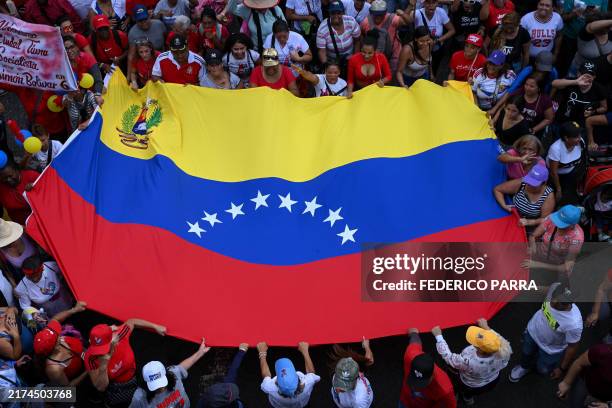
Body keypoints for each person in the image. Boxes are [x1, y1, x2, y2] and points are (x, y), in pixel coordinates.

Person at [85, 318, 167, 407]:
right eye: (97, 349)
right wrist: (103, 366)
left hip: (135, 377)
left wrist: (155, 326)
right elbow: (100, 387)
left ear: (113, 339)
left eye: (103, 348)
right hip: (116, 389)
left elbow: (132, 322)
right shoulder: (90, 358)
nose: (100, 353)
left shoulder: (120, 335)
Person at [509, 282, 583, 381]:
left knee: (542, 369)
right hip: (532, 332)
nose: (553, 303)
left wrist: (561, 368)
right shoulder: (555, 287)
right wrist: (529, 287)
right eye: (553, 297)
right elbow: (547, 289)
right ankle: (524, 367)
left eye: (561, 302)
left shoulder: (574, 324)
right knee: (526, 353)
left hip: (550, 350)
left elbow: (572, 347)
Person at [432, 319, 511, 405]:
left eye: (475, 342)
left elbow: (449, 357)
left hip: (469, 384)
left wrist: (438, 336)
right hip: (491, 381)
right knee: (472, 393)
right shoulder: (505, 350)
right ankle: (468, 399)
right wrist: (486, 327)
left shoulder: (468, 362)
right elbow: (497, 339)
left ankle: (456, 396)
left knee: (458, 386)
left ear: (479, 349)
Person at [129, 338, 210, 407]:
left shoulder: (173, 373)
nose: (160, 388)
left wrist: (200, 352)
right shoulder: (139, 397)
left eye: (160, 382)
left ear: (166, 374)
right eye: (155, 385)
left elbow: (182, 366)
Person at [32, 301, 88, 386]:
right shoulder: (54, 369)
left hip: (86, 355)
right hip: (83, 374)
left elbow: (55, 319)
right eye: (56, 336)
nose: (58, 332)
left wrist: (74, 310)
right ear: (56, 347)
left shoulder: (50, 336)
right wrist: (88, 371)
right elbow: (68, 388)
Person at [400, 328, 455, 407]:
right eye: (413, 380)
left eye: (421, 384)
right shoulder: (410, 355)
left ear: (432, 376)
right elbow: (415, 342)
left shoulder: (445, 389)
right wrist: (414, 333)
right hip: (404, 401)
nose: (414, 388)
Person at [257, 341, 320, 408]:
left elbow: (266, 376)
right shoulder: (307, 383)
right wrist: (305, 351)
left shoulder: (270, 387)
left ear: (277, 383)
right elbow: (312, 373)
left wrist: (262, 353)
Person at [493, 163, 554, 232]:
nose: (530, 185)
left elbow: (546, 219)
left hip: (529, 226)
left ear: (544, 183)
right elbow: (497, 190)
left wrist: (529, 222)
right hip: (512, 218)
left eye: (534, 184)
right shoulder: (522, 183)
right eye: (529, 181)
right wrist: (504, 206)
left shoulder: (548, 196)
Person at [526, 205, 585, 276]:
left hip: (557, 267)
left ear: (572, 225)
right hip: (541, 256)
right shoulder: (552, 218)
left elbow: (566, 267)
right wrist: (532, 246)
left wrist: (538, 265)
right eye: (558, 220)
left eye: (561, 224)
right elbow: (533, 235)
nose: (556, 224)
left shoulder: (576, 239)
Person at [359, 0, 411, 71]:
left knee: (393, 73)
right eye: (375, 14)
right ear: (371, 13)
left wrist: (402, 13)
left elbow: (408, 22)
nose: (378, 16)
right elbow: (361, 36)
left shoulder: (392, 18)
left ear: (385, 13)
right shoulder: (366, 22)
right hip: (375, 54)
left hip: (393, 52)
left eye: (381, 14)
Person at [553, 61, 608, 127]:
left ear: (594, 77)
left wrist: (593, 112)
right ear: (578, 73)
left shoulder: (599, 89)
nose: (586, 78)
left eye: (590, 75)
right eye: (584, 74)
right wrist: (576, 82)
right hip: (562, 120)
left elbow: (604, 107)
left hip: (581, 125)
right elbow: (554, 83)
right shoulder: (571, 82)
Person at [219, 0, 287, 53]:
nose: (262, 6)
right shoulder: (247, 10)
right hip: (257, 51)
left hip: (277, 49)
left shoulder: (276, 9)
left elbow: (285, 28)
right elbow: (231, 10)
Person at [557, 343, 612, 408]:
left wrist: (609, 405)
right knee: (575, 404)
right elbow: (579, 362)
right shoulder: (603, 352)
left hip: (605, 400)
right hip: (585, 384)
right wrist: (566, 383)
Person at [197, 343, 249, 407]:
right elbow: (233, 371)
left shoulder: (203, 401)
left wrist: (241, 352)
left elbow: (232, 372)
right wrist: (242, 351)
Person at [546, 121, 585, 205]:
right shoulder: (556, 149)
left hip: (570, 174)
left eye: (579, 135)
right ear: (566, 138)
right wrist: (558, 189)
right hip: (556, 177)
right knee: (557, 198)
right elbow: (553, 172)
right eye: (576, 136)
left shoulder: (580, 142)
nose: (579, 138)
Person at [316, 1, 362, 70]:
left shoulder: (351, 21)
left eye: (339, 13)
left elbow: (357, 41)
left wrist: (355, 60)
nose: (336, 16)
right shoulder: (322, 29)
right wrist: (328, 68)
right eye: (333, 13)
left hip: (350, 58)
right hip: (332, 62)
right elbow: (322, 51)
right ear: (329, 14)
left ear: (343, 13)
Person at [413, 0, 456, 74]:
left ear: (437, 3)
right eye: (428, 2)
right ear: (424, 3)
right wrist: (410, 6)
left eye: (433, 2)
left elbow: (452, 30)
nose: (431, 5)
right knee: (421, 72)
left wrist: (438, 40)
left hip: (436, 48)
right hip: (420, 49)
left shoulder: (441, 12)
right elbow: (407, 20)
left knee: (434, 70)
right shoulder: (417, 13)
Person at [329, 339, 375, 408]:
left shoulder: (360, 399)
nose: (338, 388)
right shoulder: (343, 371)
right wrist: (366, 346)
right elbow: (370, 360)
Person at [346, 33, 392, 97]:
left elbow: (389, 76)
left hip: (376, 91)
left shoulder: (381, 57)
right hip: (359, 92)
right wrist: (349, 91)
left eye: (370, 53)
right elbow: (350, 80)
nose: (366, 56)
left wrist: (383, 81)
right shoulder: (353, 59)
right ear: (360, 49)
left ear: (375, 51)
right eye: (364, 52)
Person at [63, 35, 105, 106]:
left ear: (77, 47)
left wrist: (97, 94)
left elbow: (98, 80)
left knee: (95, 101)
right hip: (74, 96)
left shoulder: (87, 58)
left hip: (92, 92)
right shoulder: (62, 65)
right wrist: (68, 98)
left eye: (71, 47)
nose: (69, 51)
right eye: (66, 49)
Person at [0, 159, 38, 225]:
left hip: (38, 221)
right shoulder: (2, 187)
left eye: (10, 176)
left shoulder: (32, 176)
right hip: (19, 226)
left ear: (17, 171)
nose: (8, 180)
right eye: (4, 178)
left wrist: (35, 190)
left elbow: (48, 196)